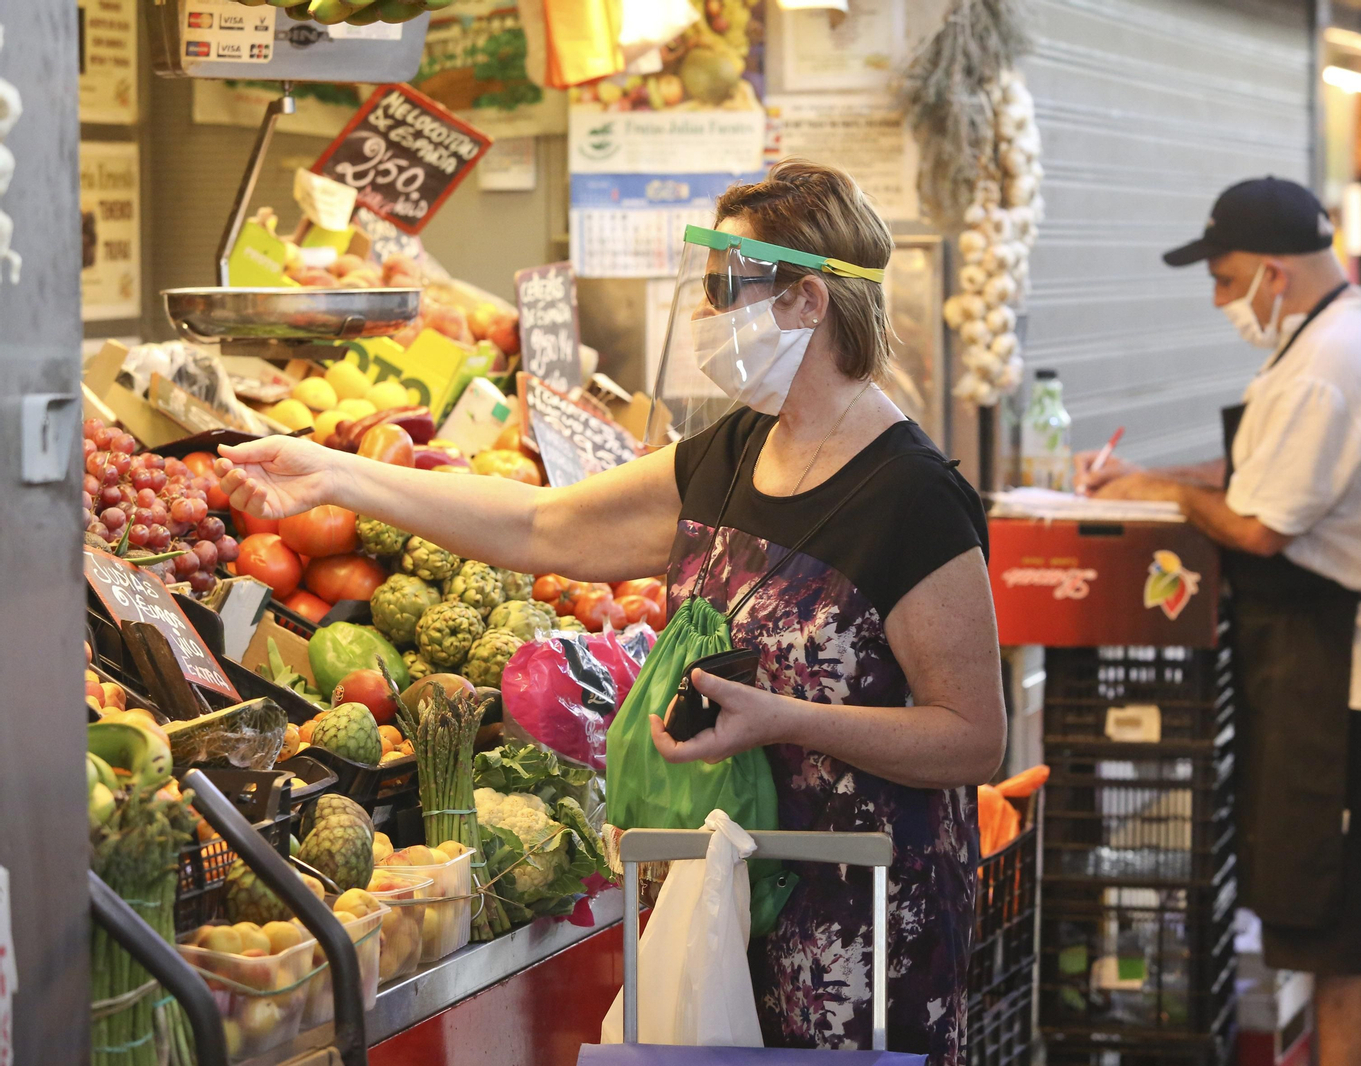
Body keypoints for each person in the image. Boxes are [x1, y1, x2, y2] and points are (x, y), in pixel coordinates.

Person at [217, 159, 1007, 1066]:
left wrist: (786, 722)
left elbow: (972, 738)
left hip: (856, 926)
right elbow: (543, 524)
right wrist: (339, 472)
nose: (708, 314)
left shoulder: (911, 497)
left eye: (726, 287)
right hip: (720, 898)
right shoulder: (736, 452)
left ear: (808, 303)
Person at [1077, 177, 1361, 1066]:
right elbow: (1273, 471)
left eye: (1223, 279)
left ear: (1273, 271)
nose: (1221, 301)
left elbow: (1262, 526)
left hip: (1351, 675)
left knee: (1340, 922)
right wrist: (1160, 477)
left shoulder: (1331, 363)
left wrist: (1157, 493)